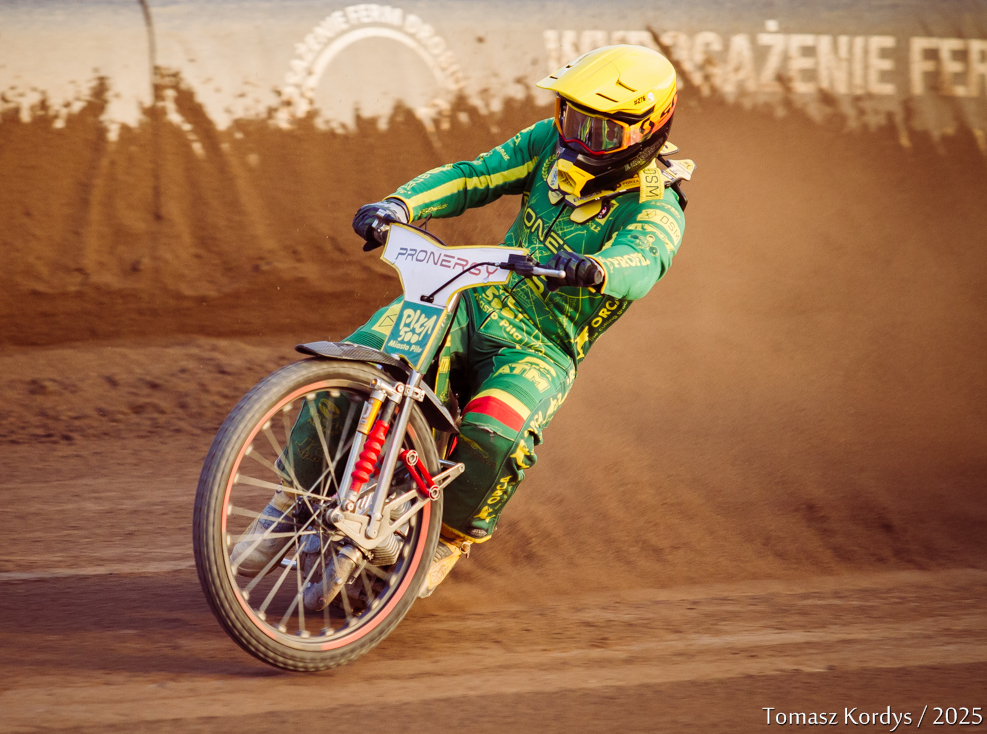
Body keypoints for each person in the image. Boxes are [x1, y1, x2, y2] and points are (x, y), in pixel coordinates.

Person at [236, 44, 694, 599]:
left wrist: (597, 269)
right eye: (572, 118)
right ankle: (291, 501)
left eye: (599, 131)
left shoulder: (657, 203)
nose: (577, 140)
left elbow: (644, 260)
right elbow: (475, 176)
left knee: (495, 435)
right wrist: (400, 206)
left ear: (648, 130)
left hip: (542, 347)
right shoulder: (546, 142)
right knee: (358, 362)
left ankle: (446, 538)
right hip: (469, 298)